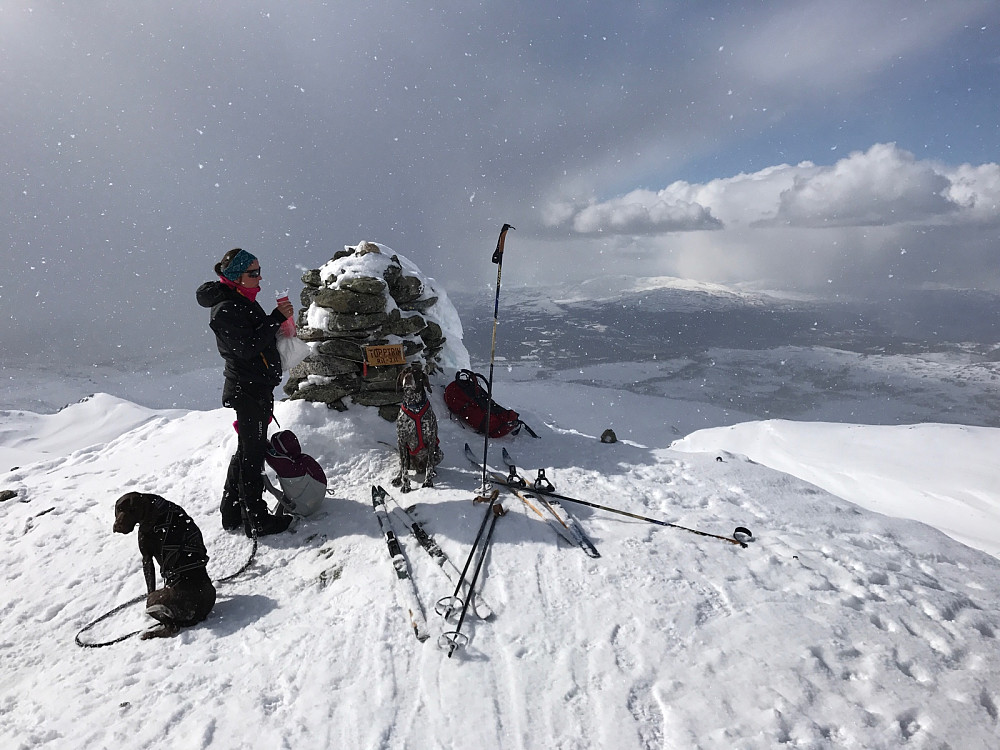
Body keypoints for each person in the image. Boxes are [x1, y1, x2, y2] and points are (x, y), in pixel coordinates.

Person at [196, 248, 293, 537]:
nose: (260, 277)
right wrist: (275, 318)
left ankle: (234, 513)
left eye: (259, 270)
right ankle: (256, 519)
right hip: (247, 389)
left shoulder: (239, 300)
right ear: (237, 276)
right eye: (254, 272)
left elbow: (254, 340)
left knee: (247, 452)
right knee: (252, 456)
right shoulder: (227, 308)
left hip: (254, 388)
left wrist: (276, 324)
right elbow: (246, 348)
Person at [113, 492, 217, 639]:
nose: (121, 519)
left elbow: (147, 562)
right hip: (208, 598)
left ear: (142, 511)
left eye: (131, 512)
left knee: (153, 602)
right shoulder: (173, 512)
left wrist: (151, 598)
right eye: (119, 511)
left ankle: (170, 627)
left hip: (185, 607)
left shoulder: (149, 529)